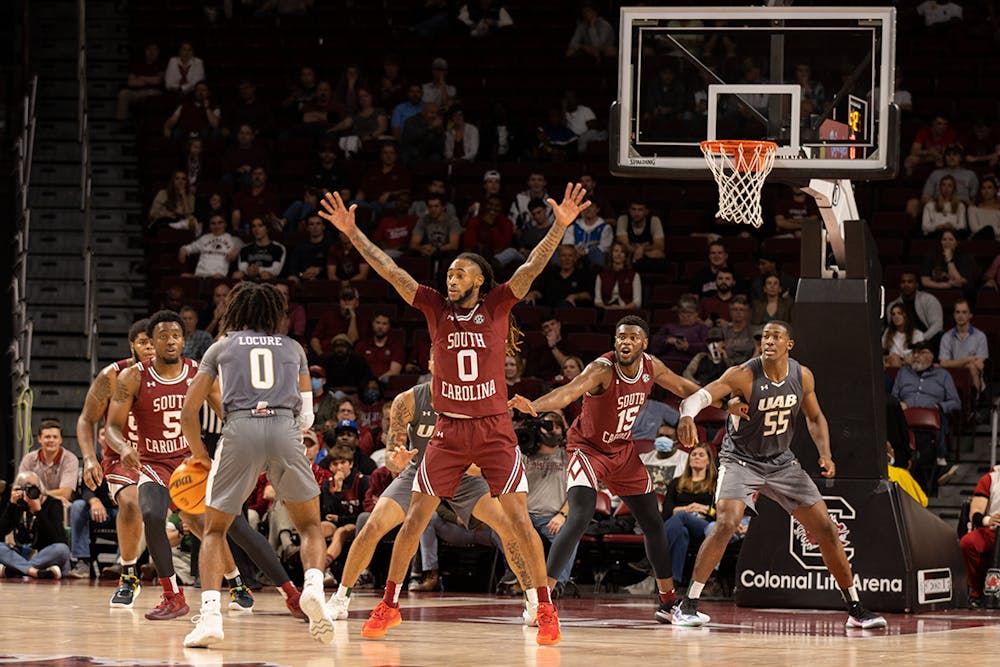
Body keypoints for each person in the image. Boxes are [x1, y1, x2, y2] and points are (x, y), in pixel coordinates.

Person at [317, 184, 593, 645]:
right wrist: (353, 232)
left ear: (480, 281)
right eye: (449, 273)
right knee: (415, 518)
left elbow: (530, 267)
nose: (452, 279)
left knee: (519, 522)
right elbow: (390, 270)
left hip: (493, 431)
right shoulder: (433, 307)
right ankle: (389, 603)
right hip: (447, 432)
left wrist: (560, 227)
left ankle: (544, 607)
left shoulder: (498, 304)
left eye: (461, 274)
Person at [673, 321, 888, 629]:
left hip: (781, 463)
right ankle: (688, 604)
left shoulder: (802, 376)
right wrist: (686, 415)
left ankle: (855, 608)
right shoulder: (743, 374)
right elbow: (698, 397)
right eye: (765, 337)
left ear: (790, 344)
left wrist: (825, 454)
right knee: (726, 523)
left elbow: (815, 418)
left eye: (777, 336)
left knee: (827, 529)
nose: (769, 341)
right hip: (741, 460)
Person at [508, 315, 717, 624]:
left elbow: (685, 386)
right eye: (620, 337)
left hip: (622, 451)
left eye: (632, 337)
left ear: (644, 343)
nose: (625, 342)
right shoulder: (601, 369)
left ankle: (668, 603)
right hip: (587, 449)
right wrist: (536, 406)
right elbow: (569, 392)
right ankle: (542, 602)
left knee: (654, 524)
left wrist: (722, 401)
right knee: (579, 516)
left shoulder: (651, 366)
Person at [180, 282, 333, 647]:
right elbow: (308, 417)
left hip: (240, 429)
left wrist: (200, 453)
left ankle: (211, 618)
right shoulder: (294, 348)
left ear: (236, 312)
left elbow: (189, 411)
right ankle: (313, 585)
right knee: (311, 526)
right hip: (284, 426)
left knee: (214, 530)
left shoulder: (220, 348)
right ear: (272, 313)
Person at [323, 363, 536, 620]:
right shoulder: (409, 399)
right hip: (419, 471)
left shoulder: (475, 401)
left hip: (465, 475)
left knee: (507, 526)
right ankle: (340, 599)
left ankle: (534, 604)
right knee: (372, 525)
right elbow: (392, 453)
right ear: (432, 363)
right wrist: (395, 461)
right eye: (442, 358)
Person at [76, 318, 154, 603]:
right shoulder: (113, 375)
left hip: (161, 455)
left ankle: (234, 581)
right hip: (121, 457)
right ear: (132, 345)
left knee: (200, 516)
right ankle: (129, 574)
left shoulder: (173, 372)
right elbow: (86, 420)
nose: (149, 348)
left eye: (152, 342)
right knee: (131, 502)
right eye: (143, 342)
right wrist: (88, 458)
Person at [661, 444, 719, 589]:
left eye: (701, 455)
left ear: (708, 461)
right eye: (693, 455)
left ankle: (653, 559)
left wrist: (705, 509)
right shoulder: (676, 483)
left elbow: (721, 514)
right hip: (679, 526)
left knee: (682, 517)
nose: (696, 458)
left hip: (704, 526)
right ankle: (674, 581)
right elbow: (667, 512)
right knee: (682, 533)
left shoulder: (715, 484)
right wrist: (685, 509)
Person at [0, 472, 70, 580]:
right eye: (26, 487)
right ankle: (35, 572)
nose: (31, 491)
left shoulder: (53, 503)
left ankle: (16, 571)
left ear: (40, 487)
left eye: (34, 487)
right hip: (20, 554)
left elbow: (56, 538)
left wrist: (38, 511)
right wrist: (12, 506)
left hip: (45, 555)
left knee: (62, 549)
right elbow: (2, 531)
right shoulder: (16, 504)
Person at [960, 465, 1000, 608]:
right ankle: (977, 592)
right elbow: (975, 512)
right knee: (968, 543)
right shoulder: (991, 479)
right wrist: (988, 520)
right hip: (994, 531)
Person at [18, 418, 78, 506]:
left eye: (55, 437)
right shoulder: (29, 459)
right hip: (33, 505)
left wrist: (36, 494)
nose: (51, 440)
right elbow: (22, 490)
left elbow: (65, 494)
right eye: (47, 437)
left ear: (60, 440)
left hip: (60, 505)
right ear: (39, 439)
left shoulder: (70, 459)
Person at [938, 299, 990, 397]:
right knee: (969, 366)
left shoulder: (980, 336)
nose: (960, 316)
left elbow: (979, 365)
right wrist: (967, 360)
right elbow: (943, 363)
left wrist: (954, 364)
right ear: (954, 315)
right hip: (951, 377)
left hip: (972, 378)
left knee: (972, 367)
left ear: (970, 315)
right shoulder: (946, 337)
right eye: (957, 312)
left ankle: (974, 403)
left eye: (964, 312)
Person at [178, 215, 242, 279]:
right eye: (213, 223)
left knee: (216, 277)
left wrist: (236, 251)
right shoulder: (204, 238)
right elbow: (188, 248)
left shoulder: (233, 239)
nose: (217, 226)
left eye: (220, 223)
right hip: (199, 275)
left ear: (225, 224)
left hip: (218, 277)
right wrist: (183, 250)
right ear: (210, 226)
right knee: (183, 276)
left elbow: (245, 246)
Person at [882, 304, 925, 368]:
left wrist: (903, 360)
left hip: (911, 365)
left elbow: (921, 356)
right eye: (893, 314)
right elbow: (881, 351)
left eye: (899, 313)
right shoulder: (888, 332)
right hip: (892, 363)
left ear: (906, 315)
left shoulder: (917, 334)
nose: (896, 317)